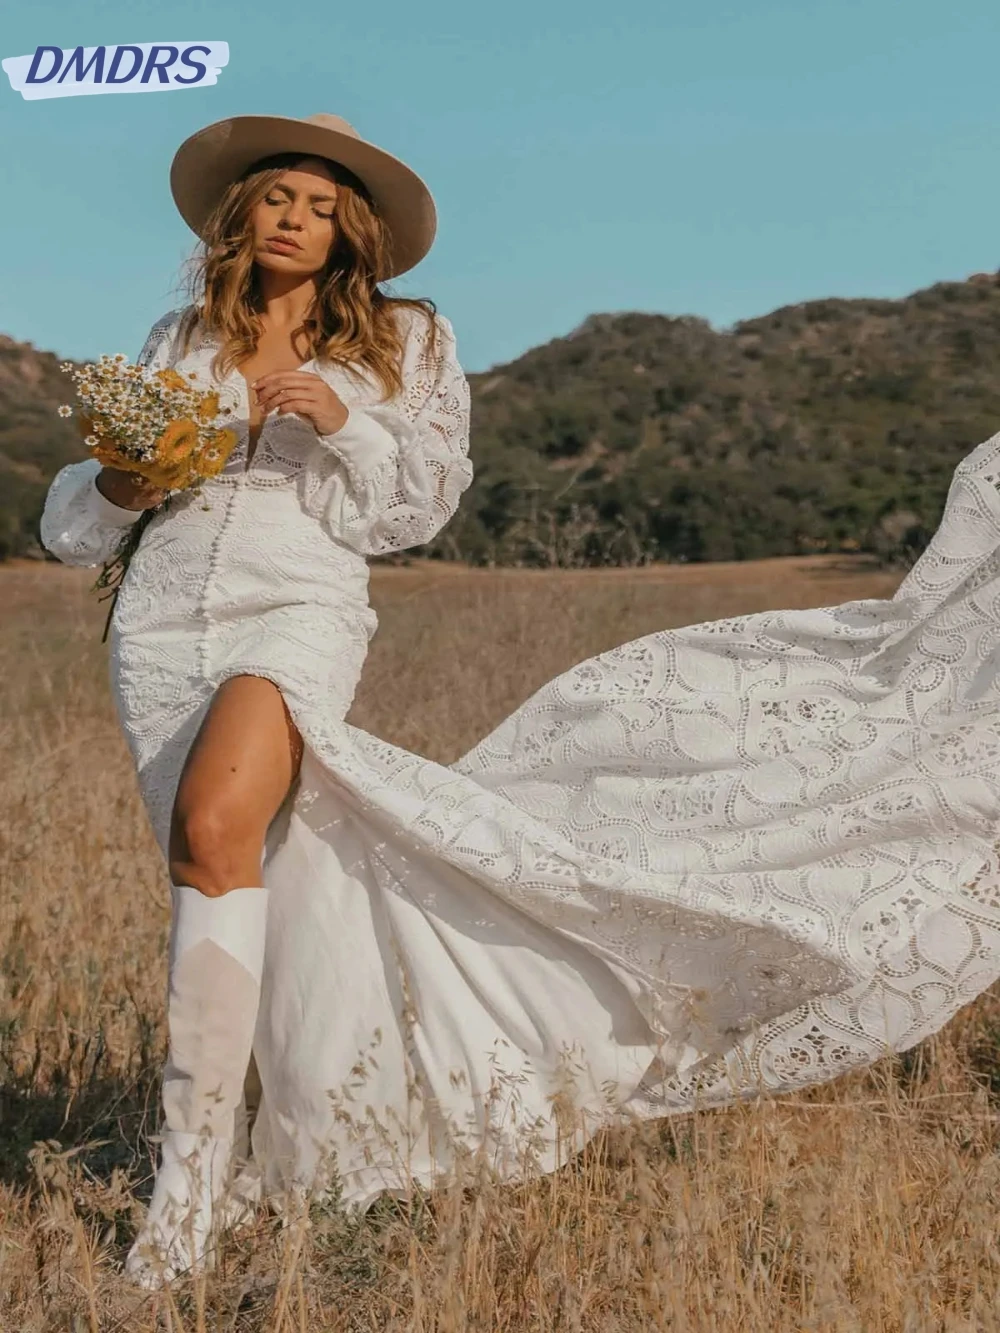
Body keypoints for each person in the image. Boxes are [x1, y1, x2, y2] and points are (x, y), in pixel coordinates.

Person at [39, 110, 1000, 1291]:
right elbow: (82, 523)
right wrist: (130, 473)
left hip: (295, 611)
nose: (294, 217)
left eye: (321, 204)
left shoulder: (405, 337)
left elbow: (416, 505)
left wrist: (344, 423)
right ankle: (285, 1134)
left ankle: (179, 1195)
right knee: (252, 882)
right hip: (161, 629)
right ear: (240, 214)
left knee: (213, 829)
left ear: (354, 234)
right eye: (277, 196)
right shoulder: (178, 335)